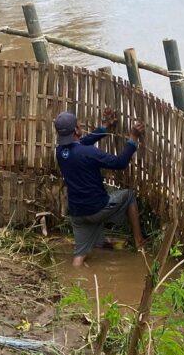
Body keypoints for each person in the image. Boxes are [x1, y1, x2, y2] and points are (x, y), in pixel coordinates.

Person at [55, 107, 146, 267]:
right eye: (79, 124)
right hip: (97, 209)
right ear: (76, 130)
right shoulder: (89, 152)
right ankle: (139, 242)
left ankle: (75, 276)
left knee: (79, 256)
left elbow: (84, 141)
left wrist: (105, 126)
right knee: (129, 194)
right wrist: (133, 138)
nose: (81, 125)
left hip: (77, 213)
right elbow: (120, 163)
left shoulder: (60, 151)